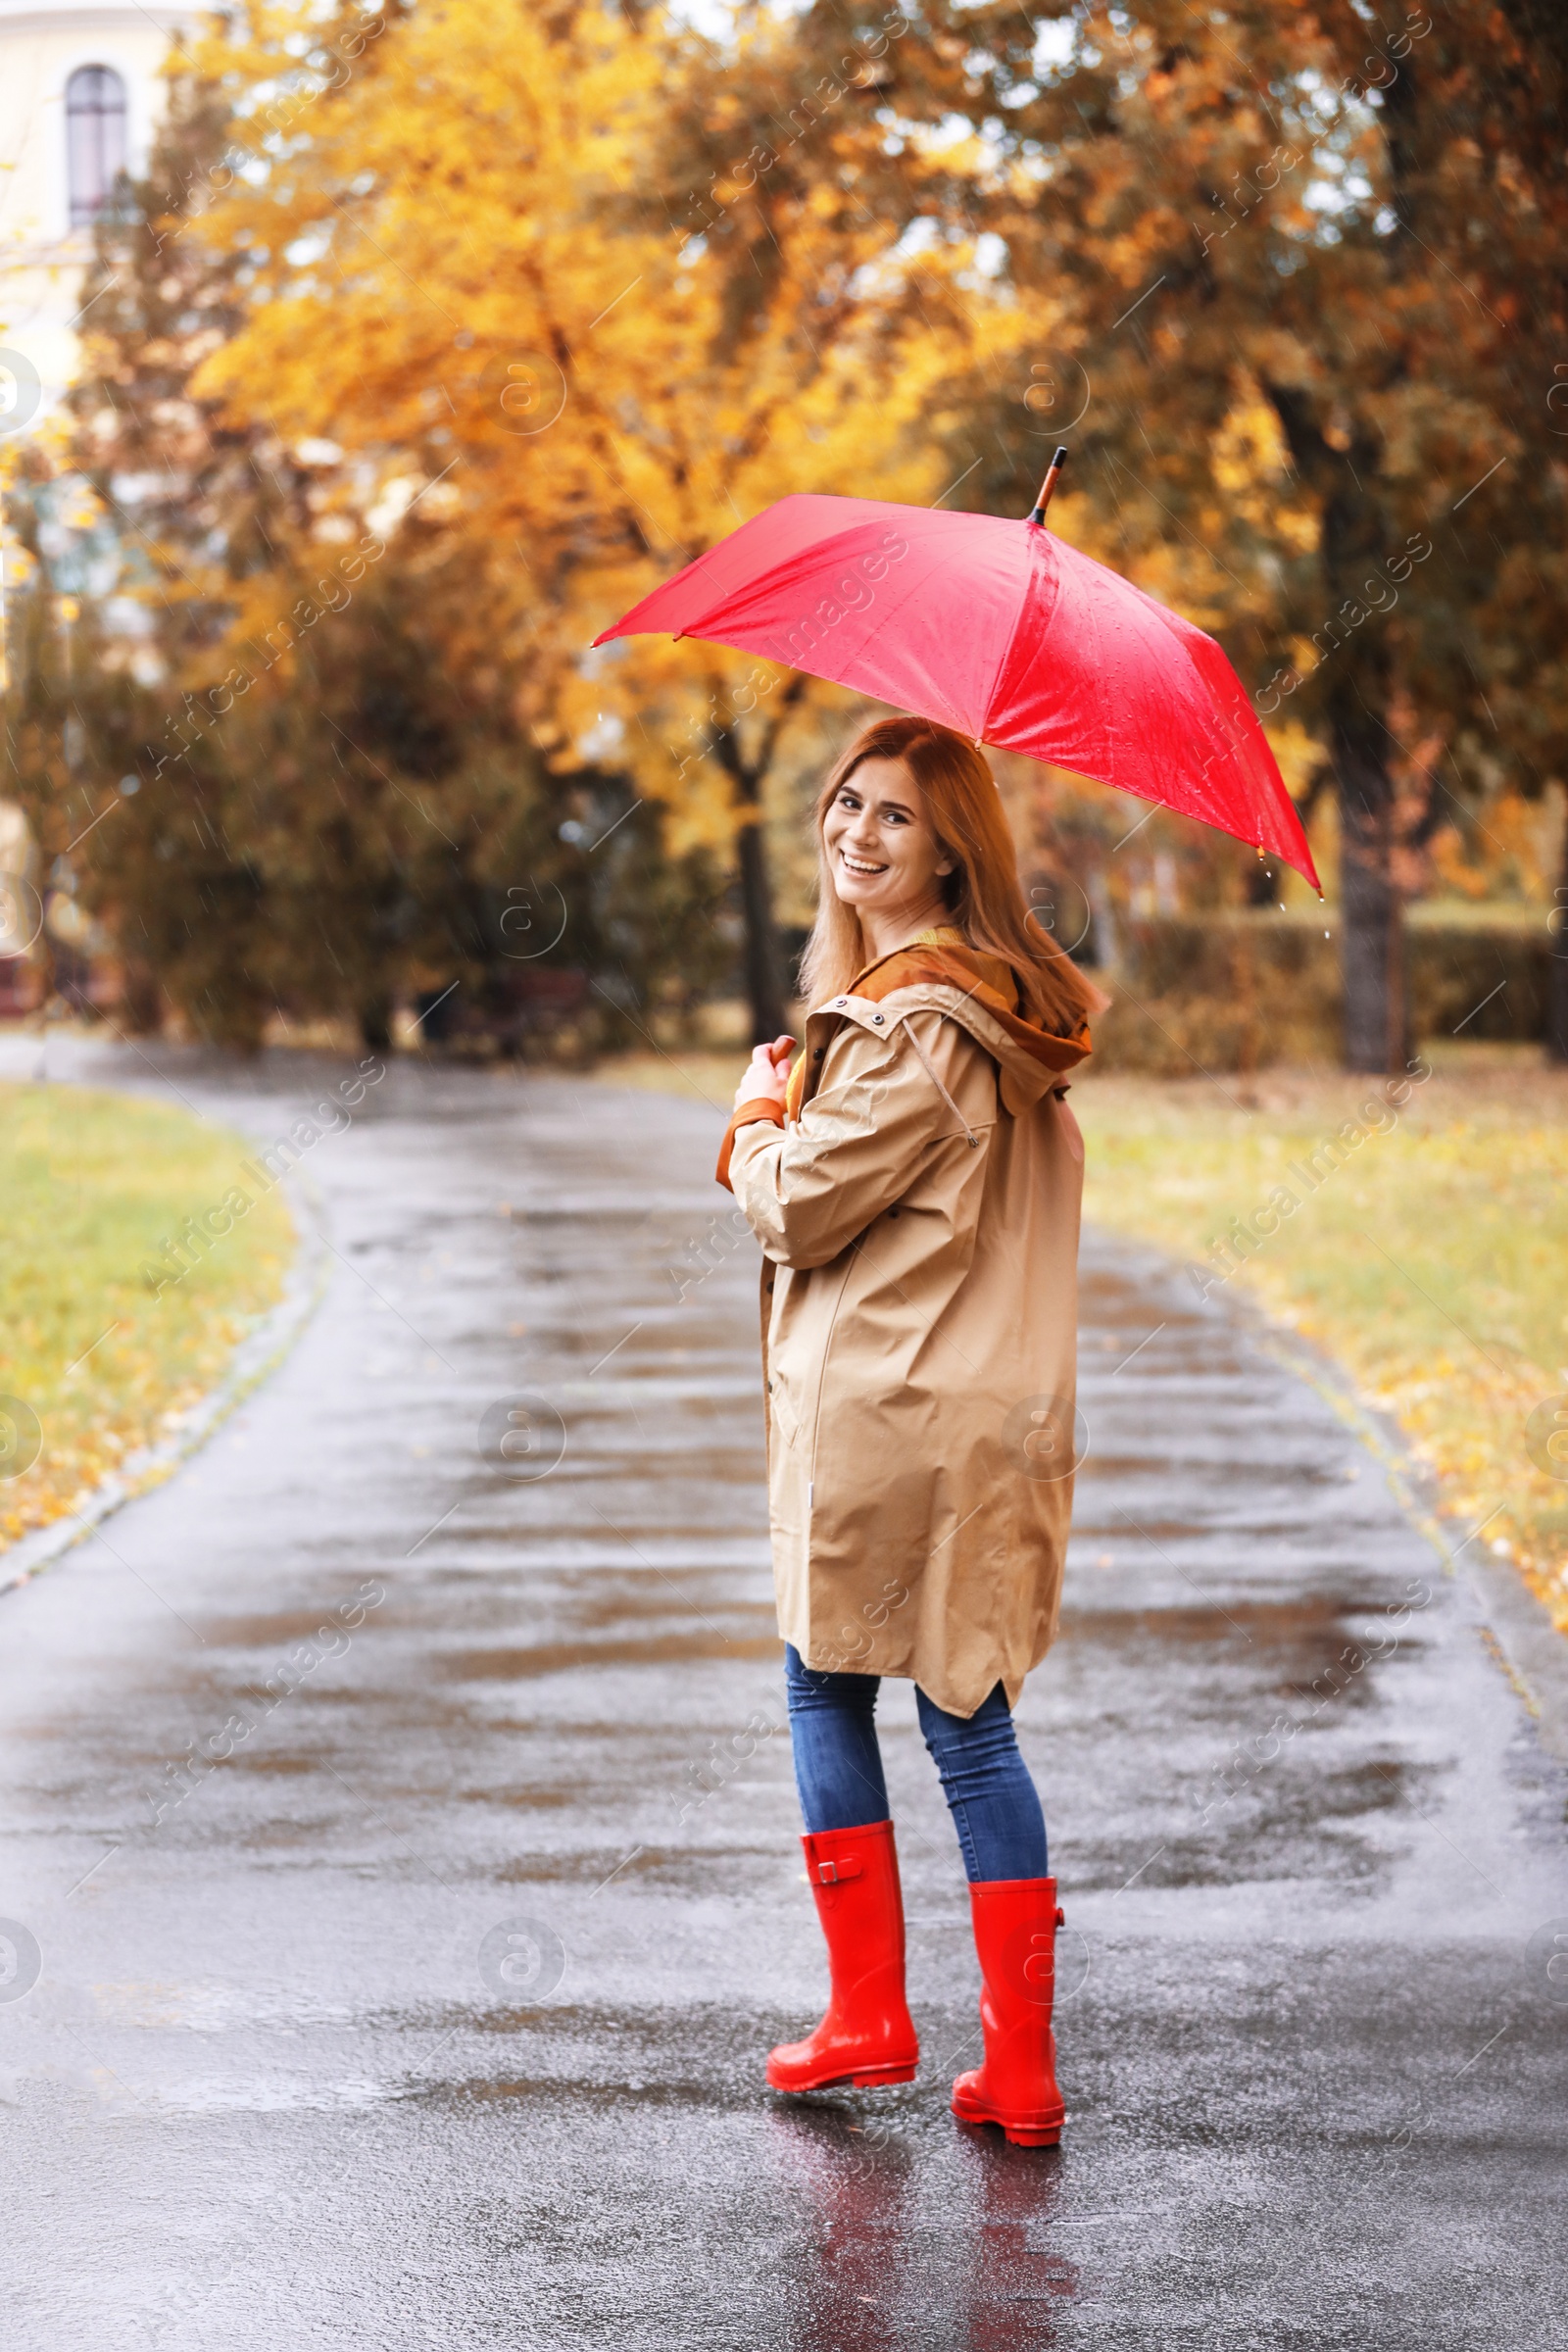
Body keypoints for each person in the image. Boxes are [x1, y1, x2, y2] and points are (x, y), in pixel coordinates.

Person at [715, 713, 1105, 2148]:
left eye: (896, 817)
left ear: (954, 851)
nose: (857, 834)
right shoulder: (1004, 1021)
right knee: (970, 1720)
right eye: (847, 805)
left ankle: (869, 2016)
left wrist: (760, 1108)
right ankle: (1021, 2066)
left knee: (831, 1691)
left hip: (887, 1413)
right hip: (982, 1411)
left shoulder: (920, 1025)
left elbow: (797, 1204)